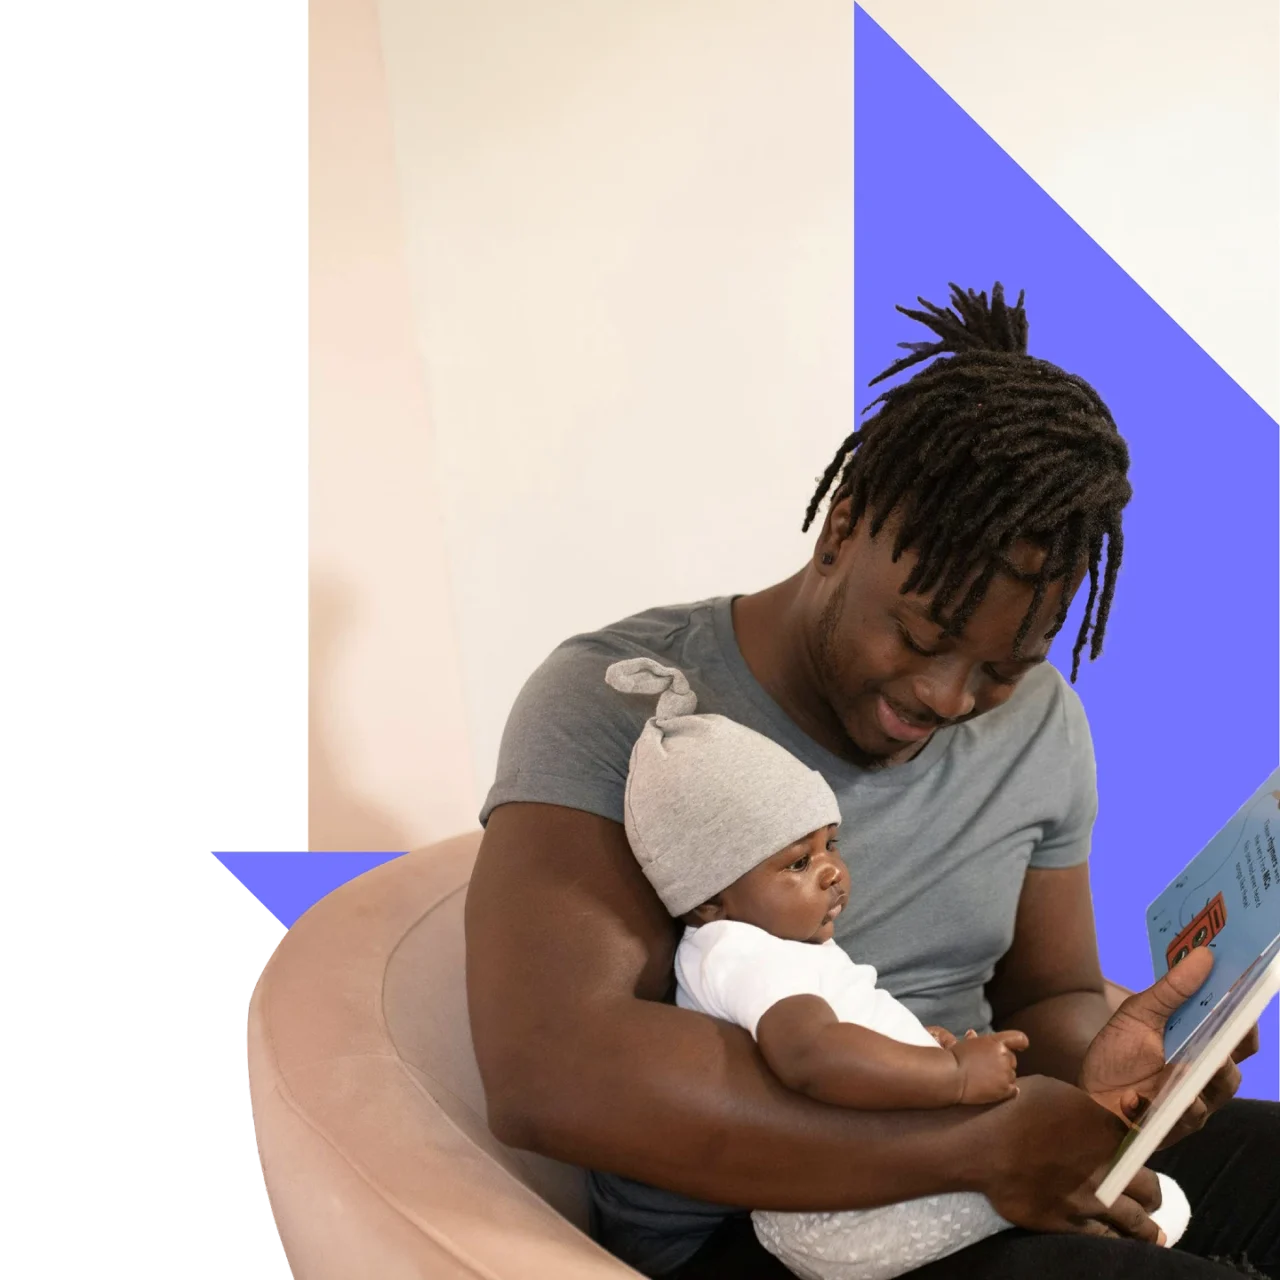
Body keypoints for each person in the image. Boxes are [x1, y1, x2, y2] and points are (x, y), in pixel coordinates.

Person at [464, 283, 1276, 1279]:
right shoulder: (618, 701)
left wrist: (1108, 1064)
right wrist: (972, 1146)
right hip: (770, 1229)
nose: (948, 695)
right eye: (920, 634)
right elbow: (553, 1070)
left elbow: (1046, 989)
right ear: (840, 525)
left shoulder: (1037, 719)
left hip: (983, 1146)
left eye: (1000, 665)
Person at [601, 654, 1192, 1279]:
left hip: (862, 1189)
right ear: (708, 898)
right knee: (1100, 1189)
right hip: (840, 1215)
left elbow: (846, 1040)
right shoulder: (742, 953)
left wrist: (919, 1050)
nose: (831, 870)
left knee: (1083, 1168)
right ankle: (1142, 1211)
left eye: (830, 844)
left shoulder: (771, 945)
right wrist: (953, 1078)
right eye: (797, 864)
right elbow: (814, 1056)